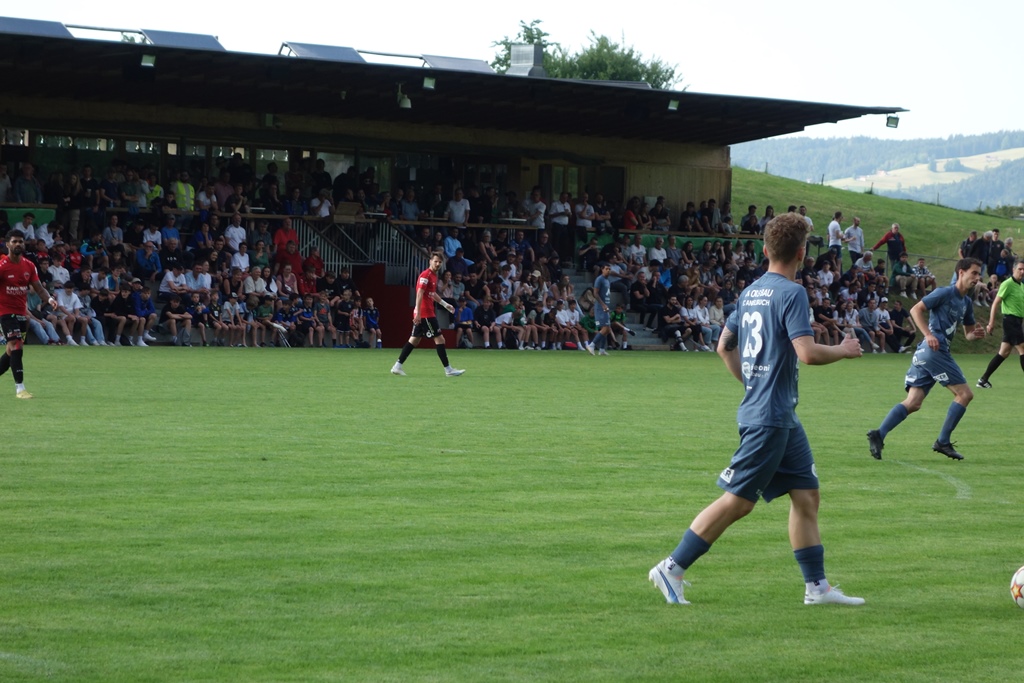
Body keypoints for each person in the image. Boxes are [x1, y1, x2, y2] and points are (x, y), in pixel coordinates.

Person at [648, 213, 865, 607]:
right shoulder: (792, 293)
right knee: (739, 501)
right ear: (802, 254)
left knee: (806, 496)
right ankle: (671, 568)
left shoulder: (751, 292)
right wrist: (844, 349)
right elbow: (807, 353)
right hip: (769, 417)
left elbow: (723, 346)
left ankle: (817, 589)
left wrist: (752, 384)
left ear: (765, 250)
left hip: (780, 415)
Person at [867, 258, 988, 462]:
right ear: (961, 272)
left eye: (979, 274)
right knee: (965, 394)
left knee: (913, 402)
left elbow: (968, 334)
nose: (978, 278)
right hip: (934, 351)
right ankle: (942, 441)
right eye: (974, 273)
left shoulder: (966, 302)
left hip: (928, 352)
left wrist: (975, 335)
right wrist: (928, 335)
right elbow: (916, 309)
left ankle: (879, 434)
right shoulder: (944, 292)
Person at [0, 230, 59, 398]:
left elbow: (39, 288)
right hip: (5, 312)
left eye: (21, 241)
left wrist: (49, 300)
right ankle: (20, 389)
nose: (18, 244)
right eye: (14, 241)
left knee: (11, 351)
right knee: (16, 345)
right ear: (8, 244)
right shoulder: (2, 266)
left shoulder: (29, 265)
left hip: (21, 313)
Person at [391, 252, 464, 377]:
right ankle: (448, 370)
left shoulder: (434, 276)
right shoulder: (426, 275)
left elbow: (432, 294)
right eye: (435, 261)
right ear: (430, 261)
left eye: (440, 262)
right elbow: (420, 293)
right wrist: (418, 313)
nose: (437, 264)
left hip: (425, 312)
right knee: (440, 339)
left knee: (414, 340)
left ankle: (397, 366)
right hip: (426, 313)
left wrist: (445, 304)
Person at [977, 260, 1024, 389]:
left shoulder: (1021, 286)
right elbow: (996, 303)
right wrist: (991, 322)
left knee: (1004, 352)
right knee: (1022, 348)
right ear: (1013, 269)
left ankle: (983, 380)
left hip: (1018, 321)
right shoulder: (1007, 284)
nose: (1022, 272)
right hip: (1010, 321)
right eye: (1020, 269)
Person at [587, 262, 613, 355]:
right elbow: (595, 293)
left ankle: (602, 349)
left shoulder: (607, 280)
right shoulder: (599, 279)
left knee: (606, 328)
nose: (608, 271)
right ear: (602, 269)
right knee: (606, 328)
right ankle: (592, 345)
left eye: (609, 269)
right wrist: (603, 305)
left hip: (606, 306)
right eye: (606, 269)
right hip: (601, 307)